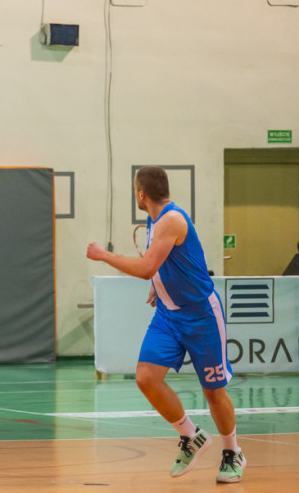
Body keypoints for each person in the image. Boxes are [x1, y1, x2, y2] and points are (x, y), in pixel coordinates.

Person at [86, 166, 245, 484]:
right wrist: (159, 284)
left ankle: (233, 452)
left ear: (141, 194)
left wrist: (104, 255)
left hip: (201, 317)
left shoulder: (172, 218)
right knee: (146, 378)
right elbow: (162, 264)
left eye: (135, 190)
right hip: (169, 316)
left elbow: (146, 267)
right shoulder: (154, 218)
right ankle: (191, 436)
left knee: (213, 393)